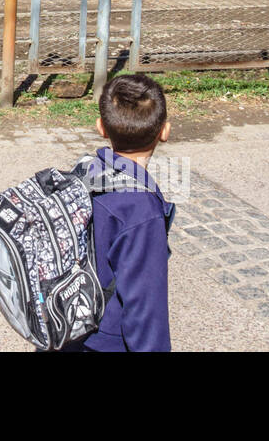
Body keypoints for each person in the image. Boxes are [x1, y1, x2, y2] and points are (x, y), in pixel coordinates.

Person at [76, 73, 174, 352]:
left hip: (68, 326)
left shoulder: (84, 171)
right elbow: (145, 307)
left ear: (101, 128)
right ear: (164, 132)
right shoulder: (142, 212)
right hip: (105, 340)